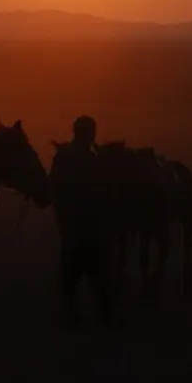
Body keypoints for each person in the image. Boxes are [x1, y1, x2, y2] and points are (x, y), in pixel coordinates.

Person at [50, 115, 113, 327]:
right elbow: (104, 192)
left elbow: (53, 189)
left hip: (71, 226)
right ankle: (104, 317)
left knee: (71, 275)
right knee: (98, 274)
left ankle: (72, 316)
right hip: (89, 227)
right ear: (89, 134)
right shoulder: (93, 160)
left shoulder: (63, 158)